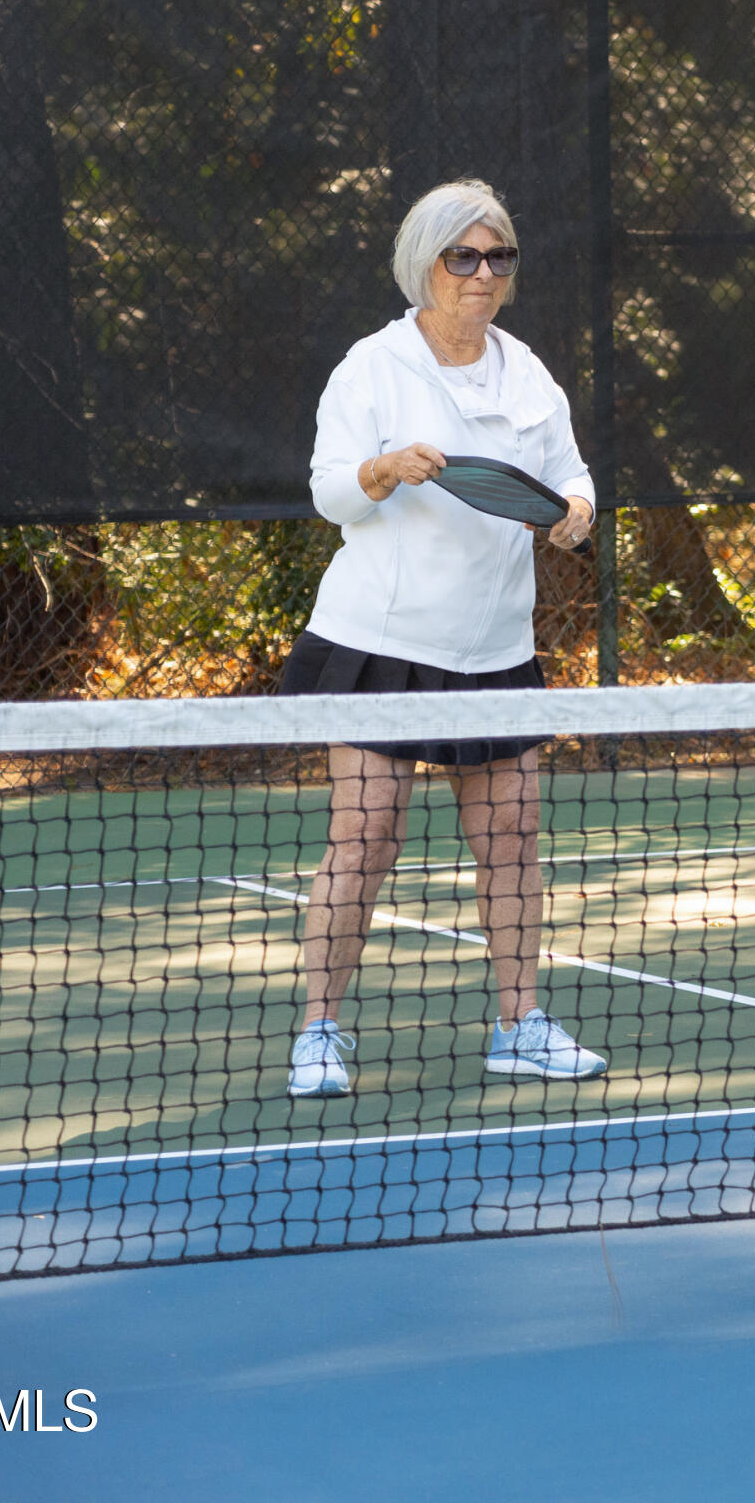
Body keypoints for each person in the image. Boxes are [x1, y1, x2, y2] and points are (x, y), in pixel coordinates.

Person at [279, 179, 611, 1100]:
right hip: (380, 640)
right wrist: (381, 470)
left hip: (493, 646)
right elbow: (328, 492)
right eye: (462, 256)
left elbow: (569, 476)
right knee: (368, 835)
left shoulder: (528, 373)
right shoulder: (371, 368)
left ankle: (520, 1024)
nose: (481, 273)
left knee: (511, 836)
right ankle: (319, 1031)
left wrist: (576, 511)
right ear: (423, 265)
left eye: (497, 257)